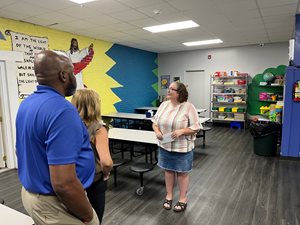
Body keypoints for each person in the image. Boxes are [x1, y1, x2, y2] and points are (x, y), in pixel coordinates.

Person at [15, 50, 99, 225]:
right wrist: (87, 215)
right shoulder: (62, 111)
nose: (74, 77)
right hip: (56, 203)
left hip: (33, 195)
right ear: (63, 76)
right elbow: (64, 184)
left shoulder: (27, 104)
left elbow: (21, 149)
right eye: (73, 72)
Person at [152, 82, 201, 212]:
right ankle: (169, 196)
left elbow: (196, 127)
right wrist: (157, 132)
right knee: (168, 171)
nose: (168, 91)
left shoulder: (188, 107)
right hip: (165, 146)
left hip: (182, 147)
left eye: (172, 89)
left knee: (182, 173)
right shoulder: (163, 105)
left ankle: (183, 198)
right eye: (168, 88)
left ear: (179, 93)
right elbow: (155, 122)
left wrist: (182, 131)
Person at [71, 89, 113, 224]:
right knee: (94, 217)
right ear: (95, 105)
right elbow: (106, 162)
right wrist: (106, 173)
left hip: (72, 177)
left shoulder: (67, 125)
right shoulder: (99, 129)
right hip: (94, 179)